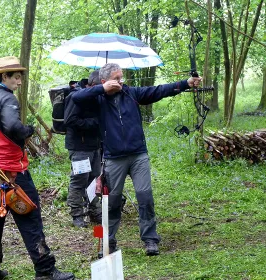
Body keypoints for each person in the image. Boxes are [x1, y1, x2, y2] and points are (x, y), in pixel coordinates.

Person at [71, 63, 202, 256]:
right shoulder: (97, 98)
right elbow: (75, 98)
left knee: (145, 196)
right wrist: (102, 89)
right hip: (114, 158)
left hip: (138, 154)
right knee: (112, 201)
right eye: (116, 78)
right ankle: (107, 241)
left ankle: (150, 239)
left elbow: (158, 91)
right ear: (105, 81)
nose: (121, 81)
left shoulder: (130, 93)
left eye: (122, 77)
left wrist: (186, 83)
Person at [0, 56, 75, 280]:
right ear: (4, 76)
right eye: (16, 77)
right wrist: (28, 130)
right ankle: (45, 271)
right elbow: (12, 126)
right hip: (12, 173)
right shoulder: (7, 99)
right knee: (30, 217)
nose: (19, 82)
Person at [64, 71, 102, 228]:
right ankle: (76, 214)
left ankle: (94, 211)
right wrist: (94, 123)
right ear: (93, 84)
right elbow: (70, 120)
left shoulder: (98, 97)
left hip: (94, 145)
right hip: (80, 146)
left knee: (94, 179)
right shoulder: (77, 96)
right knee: (79, 180)